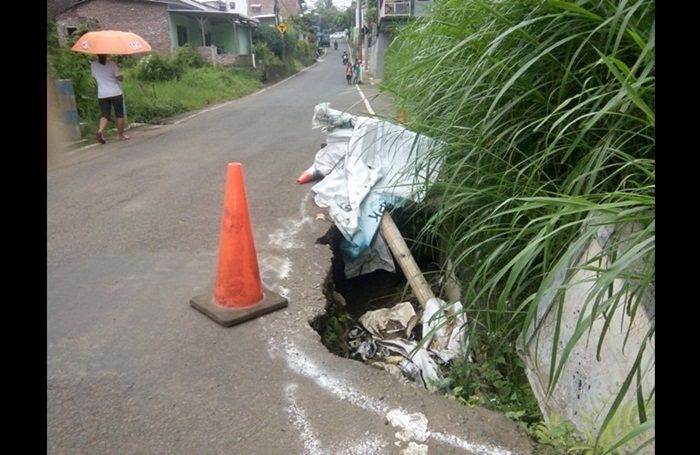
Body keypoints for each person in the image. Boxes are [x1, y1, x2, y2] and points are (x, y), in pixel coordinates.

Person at [90, 54, 129, 143]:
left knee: (105, 115)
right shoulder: (112, 64)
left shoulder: (93, 65)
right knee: (119, 114)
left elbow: (94, 78)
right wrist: (120, 74)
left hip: (102, 94)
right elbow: (120, 78)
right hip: (115, 93)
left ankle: (100, 131)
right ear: (106, 54)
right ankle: (121, 135)